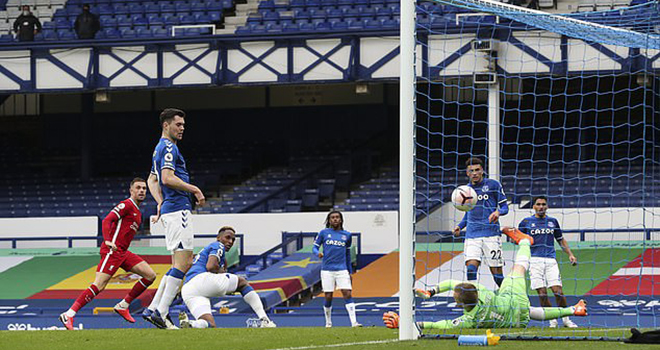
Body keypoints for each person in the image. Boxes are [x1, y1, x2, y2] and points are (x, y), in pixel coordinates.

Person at [383, 228, 587, 330]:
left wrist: (409, 325)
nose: (454, 296)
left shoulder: (470, 320)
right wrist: (433, 291)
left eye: (455, 297)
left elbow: (442, 324)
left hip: (517, 322)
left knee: (532, 311)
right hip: (512, 300)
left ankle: (572, 310)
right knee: (518, 269)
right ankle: (525, 243)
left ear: (461, 303)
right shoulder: (481, 291)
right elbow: (453, 285)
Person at [58, 178, 157, 330]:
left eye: (144, 188)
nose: (142, 190)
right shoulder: (126, 205)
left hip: (123, 252)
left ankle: (123, 305)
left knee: (150, 275)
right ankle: (69, 314)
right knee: (99, 285)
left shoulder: (138, 212)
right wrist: (108, 240)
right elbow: (107, 220)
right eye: (138, 188)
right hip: (112, 251)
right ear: (131, 191)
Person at [143, 108, 206, 329]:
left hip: (171, 209)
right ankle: (161, 311)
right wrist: (194, 189)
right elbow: (167, 178)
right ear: (166, 125)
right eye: (178, 125)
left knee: (177, 264)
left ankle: (153, 308)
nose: (182, 128)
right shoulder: (168, 147)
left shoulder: (159, 148)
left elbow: (152, 179)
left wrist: (160, 202)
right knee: (185, 262)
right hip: (178, 209)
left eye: (183, 125)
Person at [178, 226, 276, 329]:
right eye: (227, 237)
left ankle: (191, 324)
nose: (230, 241)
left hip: (188, 289)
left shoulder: (210, 253)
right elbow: (210, 266)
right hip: (201, 279)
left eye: (233, 239)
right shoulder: (218, 245)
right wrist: (221, 272)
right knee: (242, 283)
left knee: (210, 324)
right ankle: (265, 320)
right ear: (218, 238)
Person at [518, 196, 578, 328]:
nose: (541, 207)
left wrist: (570, 255)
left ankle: (566, 319)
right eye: (538, 204)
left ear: (547, 206)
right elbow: (518, 239)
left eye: (543, 204)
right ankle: (553, 320)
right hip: (533, 261)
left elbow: (560, 240)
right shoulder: (525, 222)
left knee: (558, 291)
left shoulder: (553, 221)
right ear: (533, 206)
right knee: (542, 293)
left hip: (551, 260)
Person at [453, 157, 509, 287]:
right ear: (467, 173)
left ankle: (508, 298)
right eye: (471, 171)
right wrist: (459, 227)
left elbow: (505, 207)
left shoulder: (493, 185)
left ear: (482, 170)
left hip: (492, 235)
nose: (475, 173)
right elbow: (468, 214)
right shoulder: (464, 191)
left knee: (498, 276)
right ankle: (474, 301)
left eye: (477, 170)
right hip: (472, 236)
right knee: (471, 270)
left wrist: (498, 212)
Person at [313, 210, 361, 328]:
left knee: (347, 293)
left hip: (342, 269)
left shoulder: (347, 235)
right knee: (328, 296)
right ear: (329, 220)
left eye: (337, 217)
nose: (335, 219)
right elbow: (315, 247)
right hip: (327, 270)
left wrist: (350, 271)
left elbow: (347, 253)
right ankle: (328, 322)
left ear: (341, 219)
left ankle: (354, 322)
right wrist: (317, 253)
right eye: (332, 217)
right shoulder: (323, 233)